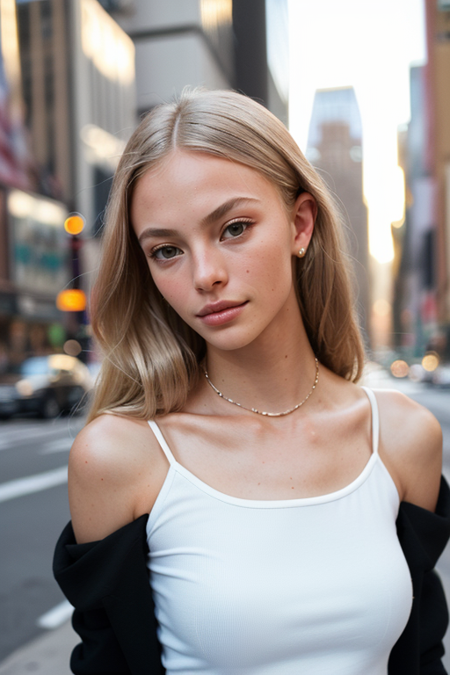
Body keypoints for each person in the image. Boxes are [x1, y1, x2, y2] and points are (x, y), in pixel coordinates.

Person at [54, 89, 450, 675]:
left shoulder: (400, 438)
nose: (206, 275)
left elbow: (420, 659)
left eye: (234, 228)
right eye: (166, 250)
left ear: (299, 224)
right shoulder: (122, 457)